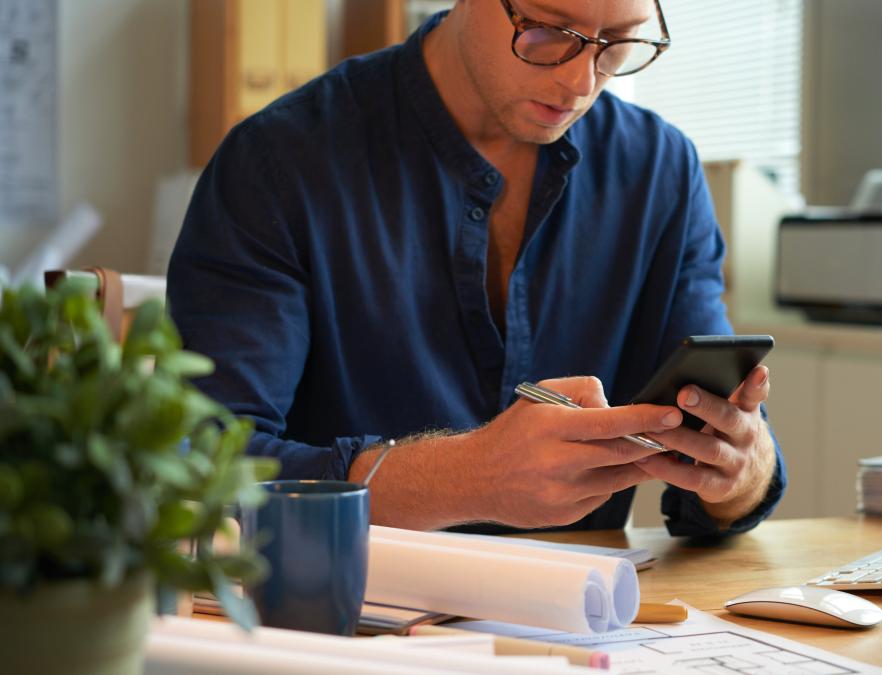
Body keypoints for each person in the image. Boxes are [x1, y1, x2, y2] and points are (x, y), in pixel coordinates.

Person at [168, 0, 786, 537]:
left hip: (582, 625)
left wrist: (741, 473)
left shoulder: (661, 170)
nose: (580, 82)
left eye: (618, 44)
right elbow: (204, 463)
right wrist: (465, 478)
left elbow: (719, 442)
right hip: (342, 616)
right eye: (549, 29)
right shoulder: (279, 161)